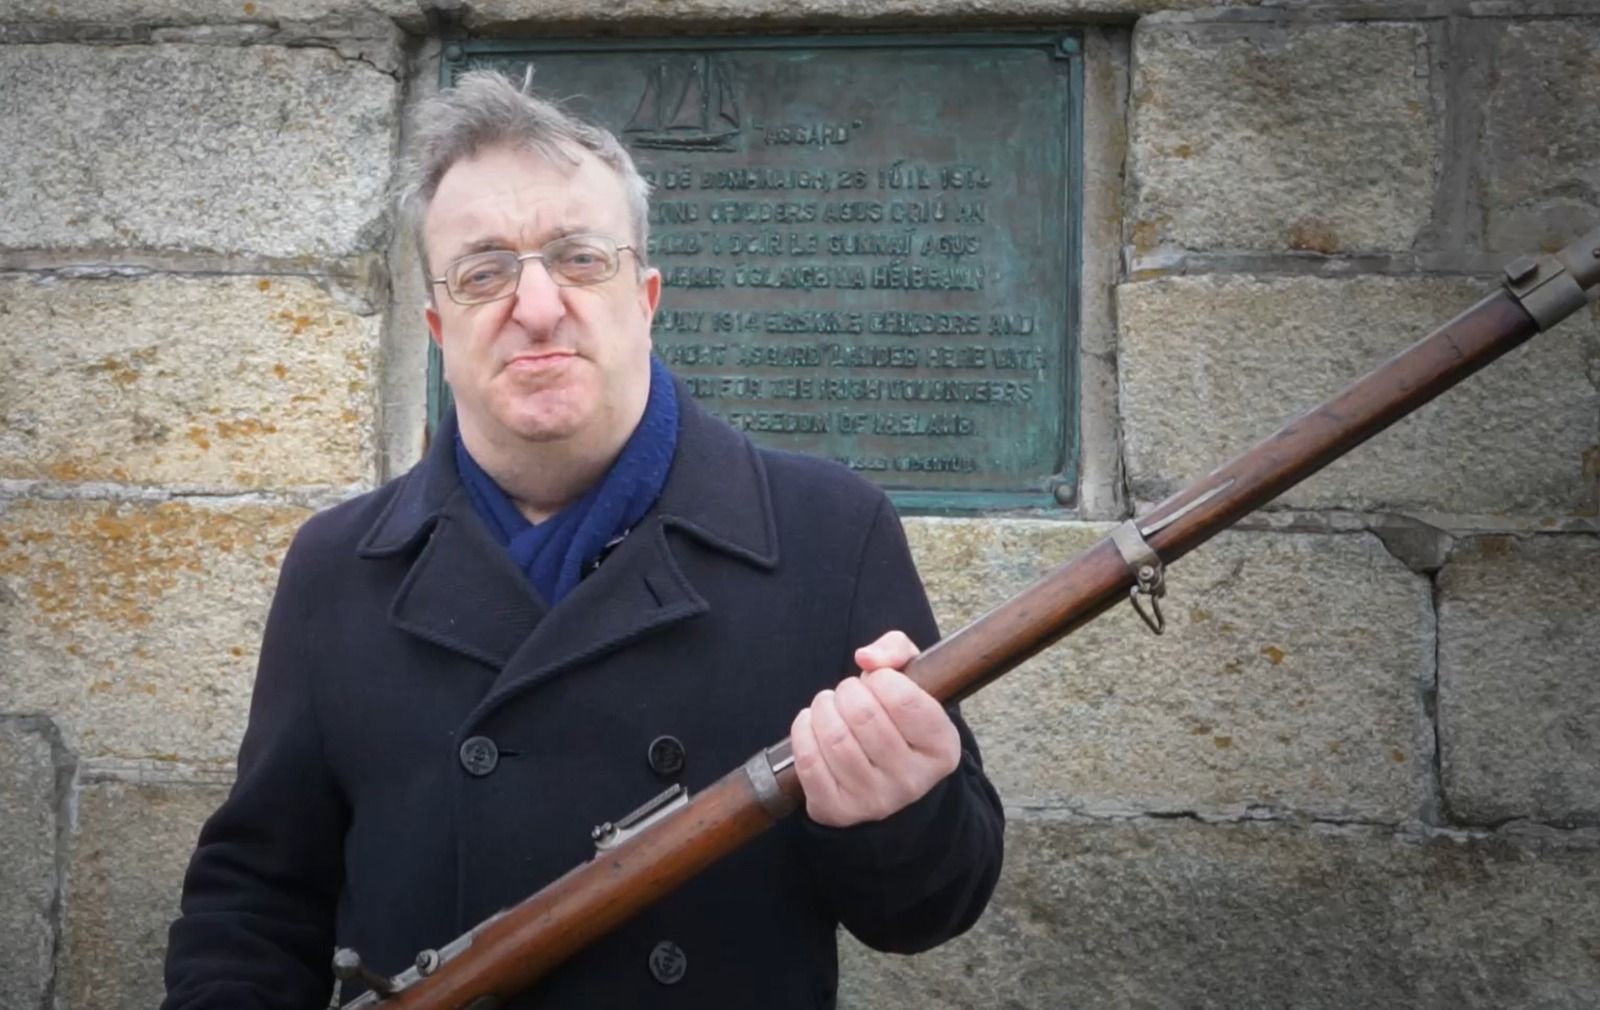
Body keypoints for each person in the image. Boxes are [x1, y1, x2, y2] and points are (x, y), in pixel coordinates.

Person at [162, 70, 1004, 1010]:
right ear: (440, 328)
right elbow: (255, 903)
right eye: (484, 272)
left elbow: (932, 907)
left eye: (578, 259)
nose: (535, 305)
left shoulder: (830, 531)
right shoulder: (335, 568)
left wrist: (901, 808)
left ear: (645, 295)